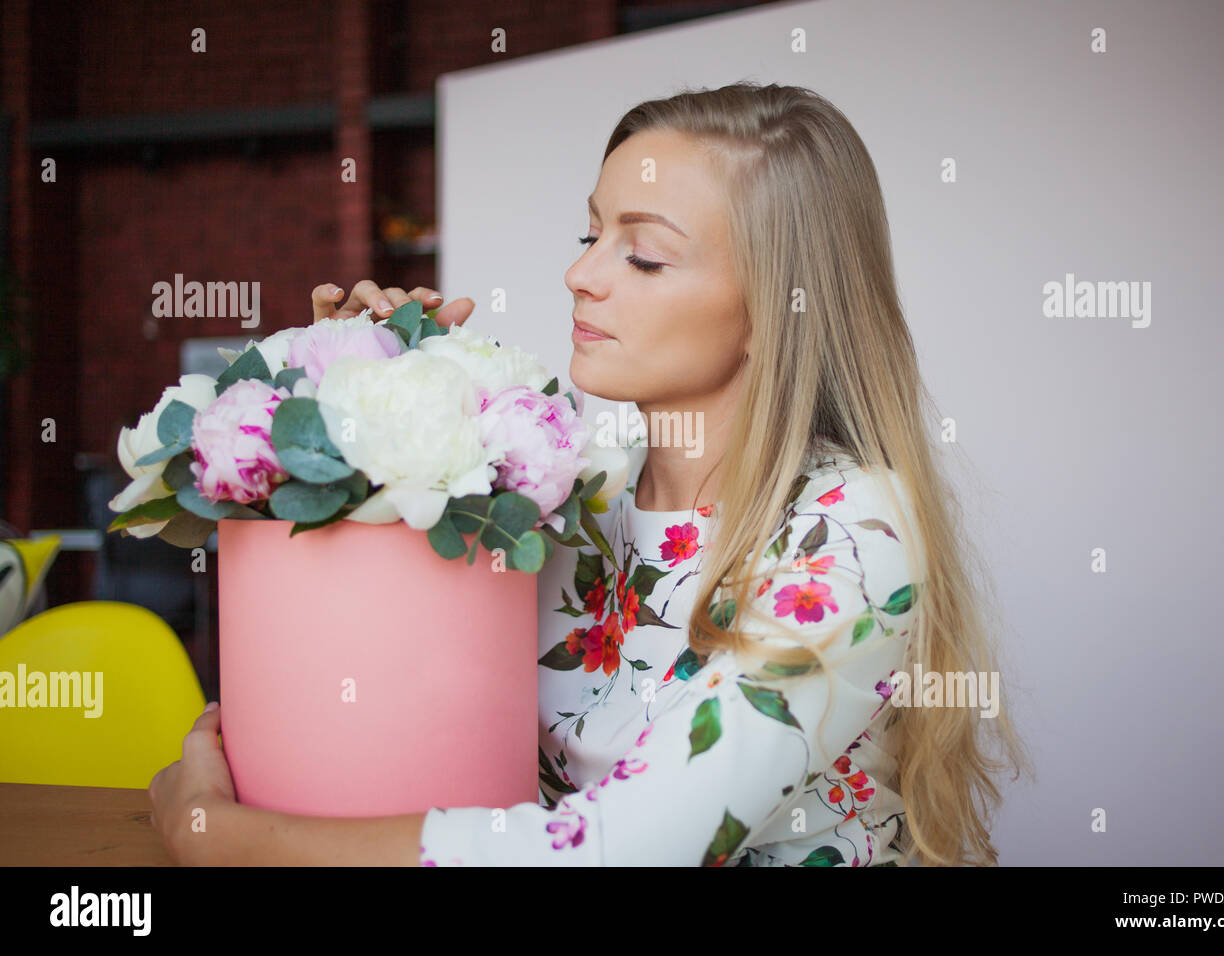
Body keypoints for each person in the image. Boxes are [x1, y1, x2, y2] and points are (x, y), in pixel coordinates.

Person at [149, 81, 1028, 866]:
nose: (578, 275)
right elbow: (389, 698)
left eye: (642, 255)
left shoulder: (850, 532)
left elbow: (614, 849)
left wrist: (222, 838)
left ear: (779, 308)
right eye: (590, 233)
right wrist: (352, 409)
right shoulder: (570, 490)